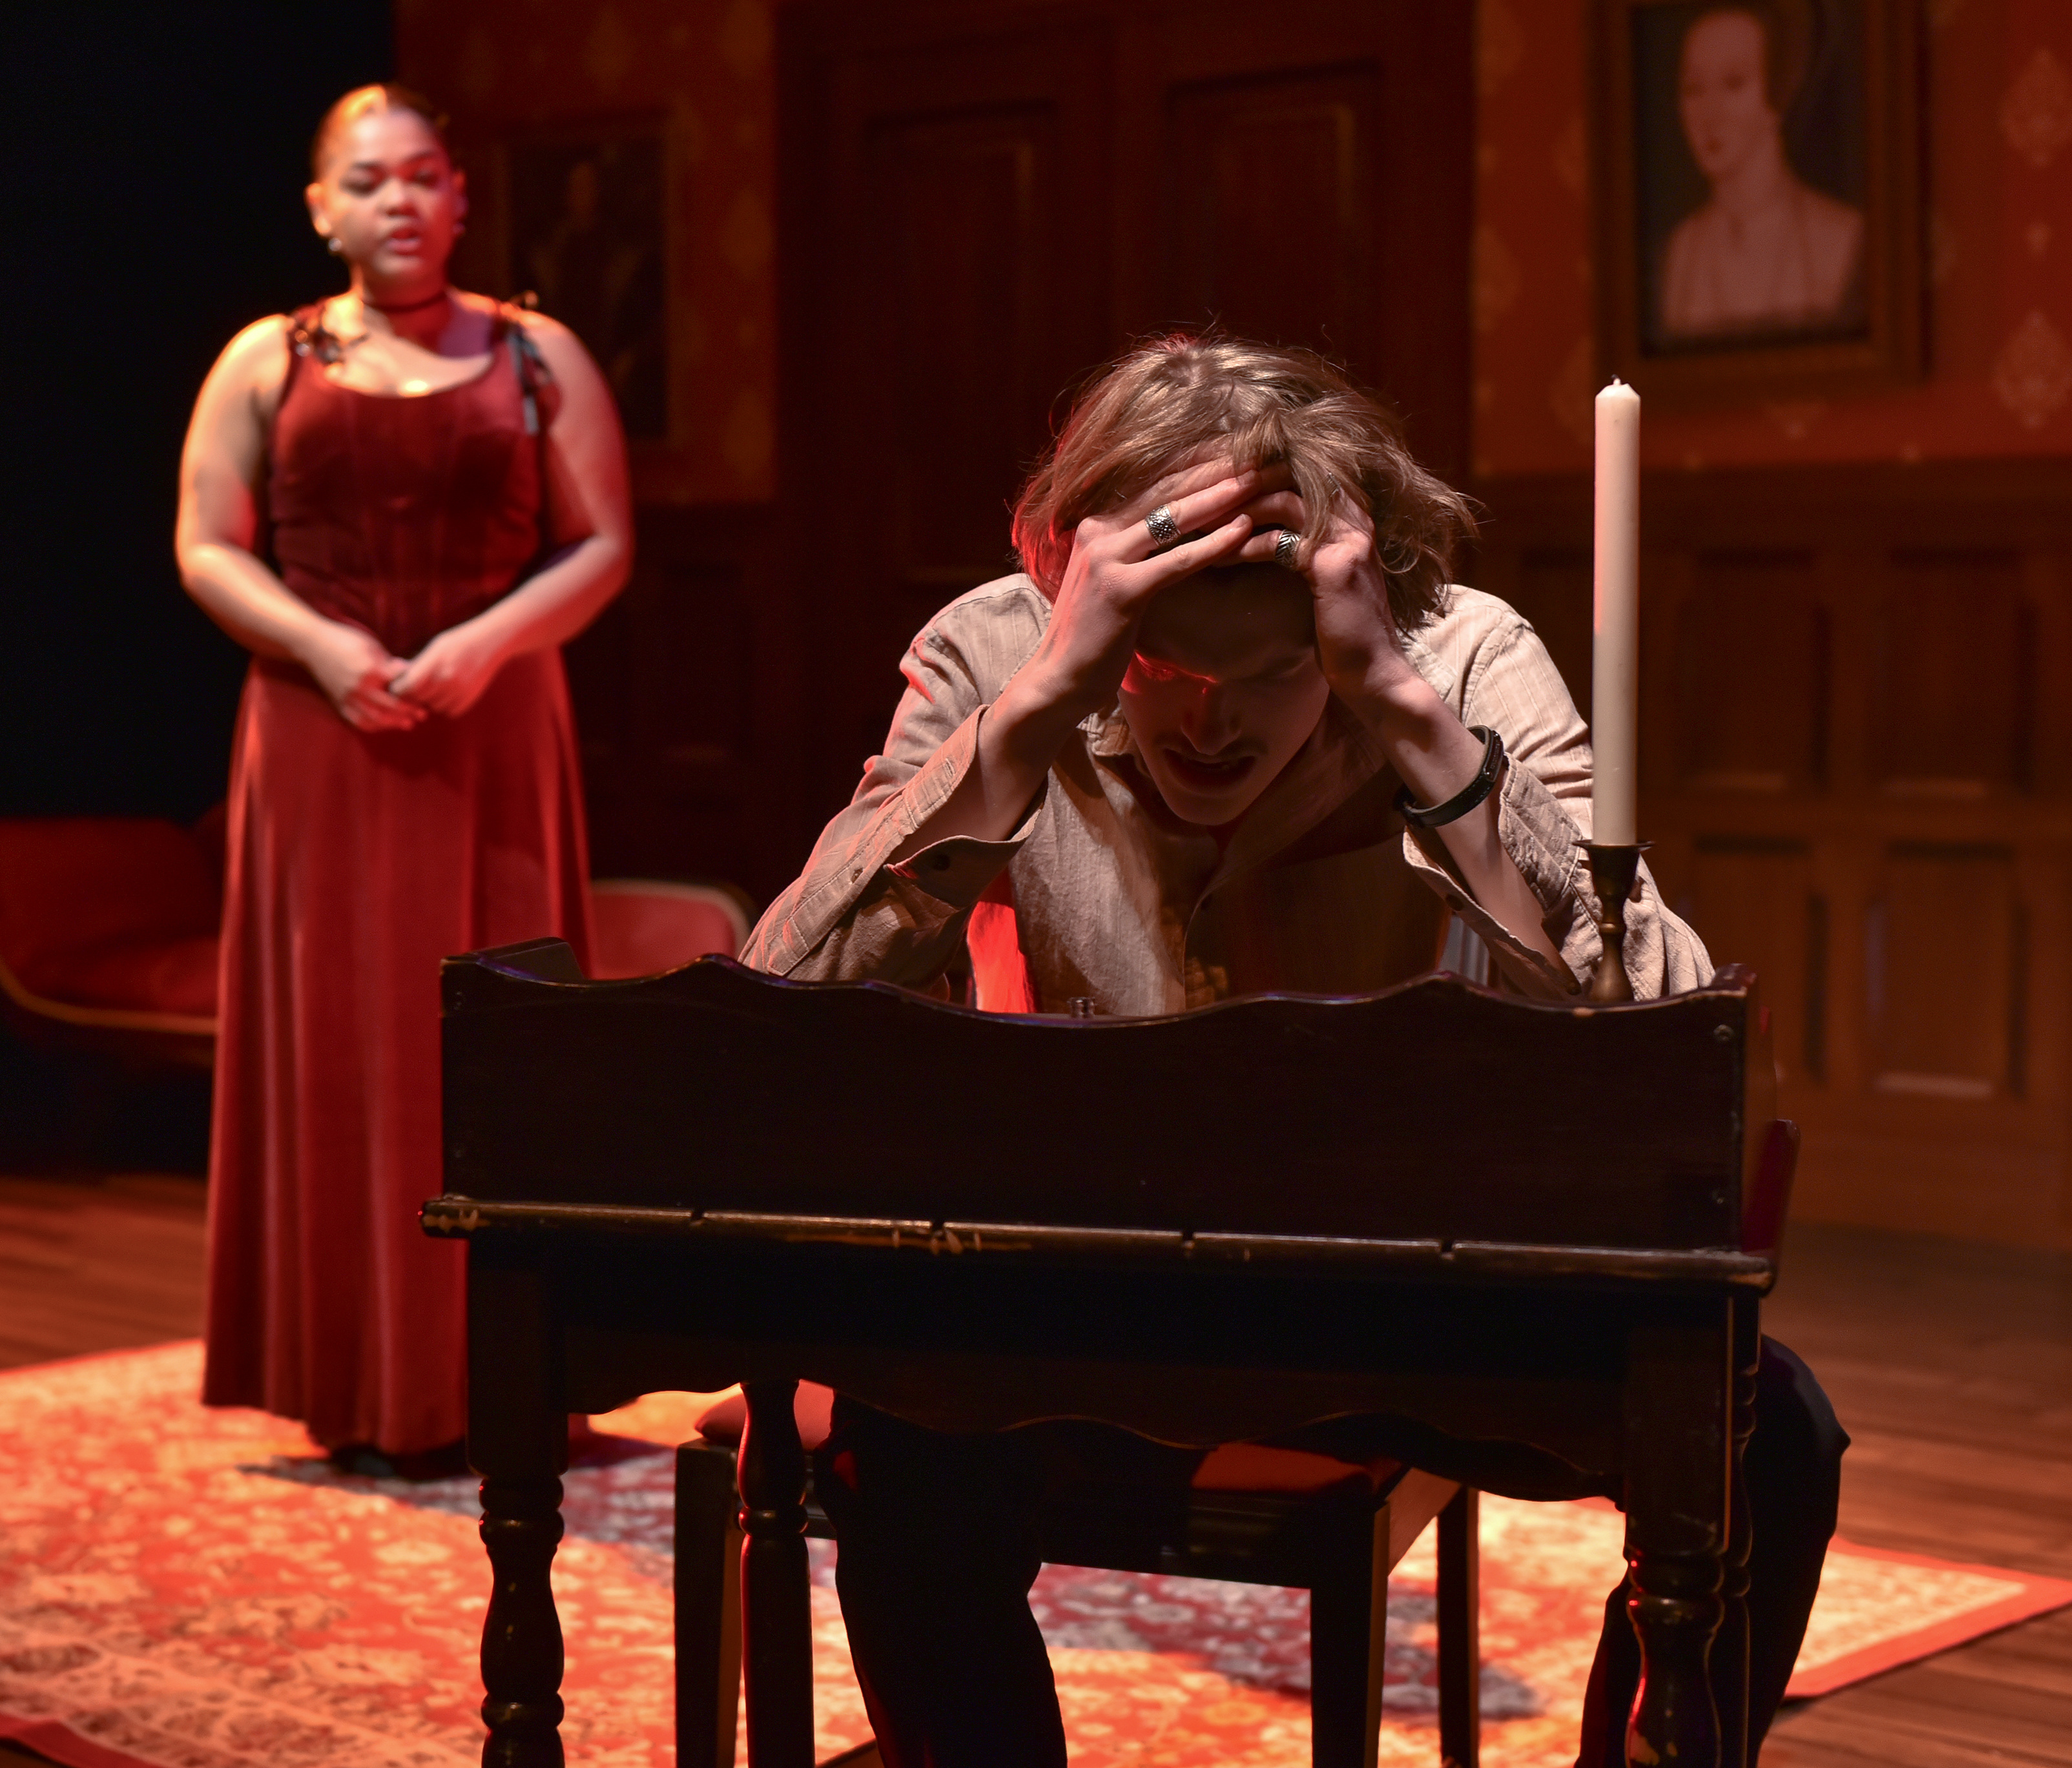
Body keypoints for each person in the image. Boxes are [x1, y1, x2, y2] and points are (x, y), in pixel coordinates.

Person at [743, 337, 1843, 1766]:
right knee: (901, 1444)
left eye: (1268, 672)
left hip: (1384, 1280)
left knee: (1772, 1434)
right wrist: (1038, 705)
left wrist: (1401, 708)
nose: (1209, 719)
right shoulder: (1006, 648)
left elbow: (1663, 1019)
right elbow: (777, 1001)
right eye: (1160, 667)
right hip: (1085, 1280)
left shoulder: (1451, 653)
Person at [174, 83, 630, 1470]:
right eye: (369, 181)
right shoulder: (265, 359)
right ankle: (348, 1373)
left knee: (495, 1038)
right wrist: (324, 647)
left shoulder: (537, 352)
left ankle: (508, 1370)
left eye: (424, 176)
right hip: (322, 728)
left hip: (492, 721)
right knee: (339, 1042)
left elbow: (600, 543)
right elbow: (208, 544)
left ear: (460, 198)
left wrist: (486, 644)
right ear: (324, 208)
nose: (400, 201)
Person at [1660, 4, 1863, 340]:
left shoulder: (1839, 235)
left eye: (1734, 84)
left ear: (1777, 95)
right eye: (1694, 88)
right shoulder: (1682, 250)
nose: (1709, 114)